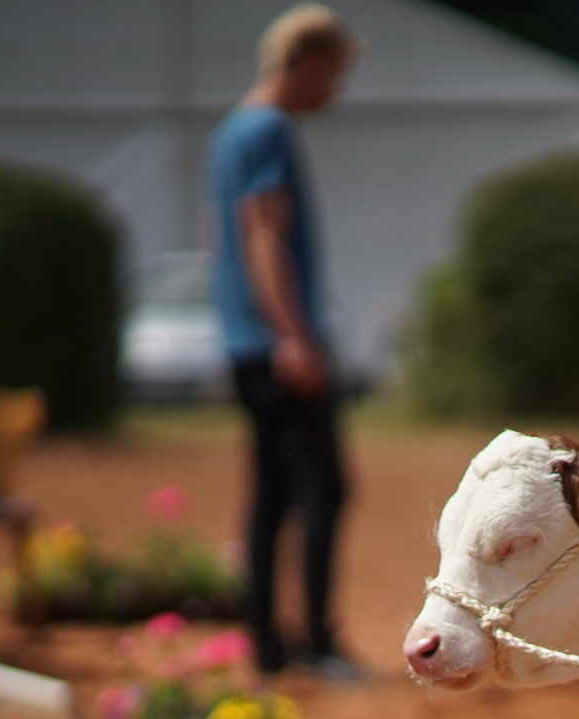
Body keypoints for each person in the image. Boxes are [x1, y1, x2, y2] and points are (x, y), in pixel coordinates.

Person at [209, 4, 361, 679]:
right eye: (333, 74)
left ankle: (267, 642)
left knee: (272, 492)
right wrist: (294, 335)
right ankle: (318, 643)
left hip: (247, 343)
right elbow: (263, 234)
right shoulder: (268, 129)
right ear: (306, 63)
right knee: (323, 489)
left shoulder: (235, 128)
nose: (336, 90)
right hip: (276, 344)